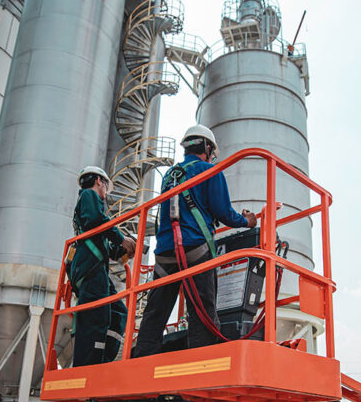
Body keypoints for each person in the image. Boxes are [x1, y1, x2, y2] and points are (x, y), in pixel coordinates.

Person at [132, 125, 257, 357]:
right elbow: (223, 212)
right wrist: (246, 221)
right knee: (202, 312)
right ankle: (203, 365)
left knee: (155, 313)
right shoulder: (210, 171)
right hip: (195, 250)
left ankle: (141, 364)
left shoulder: (170, 175)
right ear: (208, 147)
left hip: (164, 253)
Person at [69, 166, 134, 366]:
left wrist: (124, 251)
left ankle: (103, 359)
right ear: (99, 180)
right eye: (107, 186)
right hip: (90, 269)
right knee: (96, 316)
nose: (106, 194)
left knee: (117, 312)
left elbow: (102, 240)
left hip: (95, 268)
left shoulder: (92, 213)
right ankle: (87, 364)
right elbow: (98, 221)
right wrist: (121, 238)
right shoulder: (88, 195)